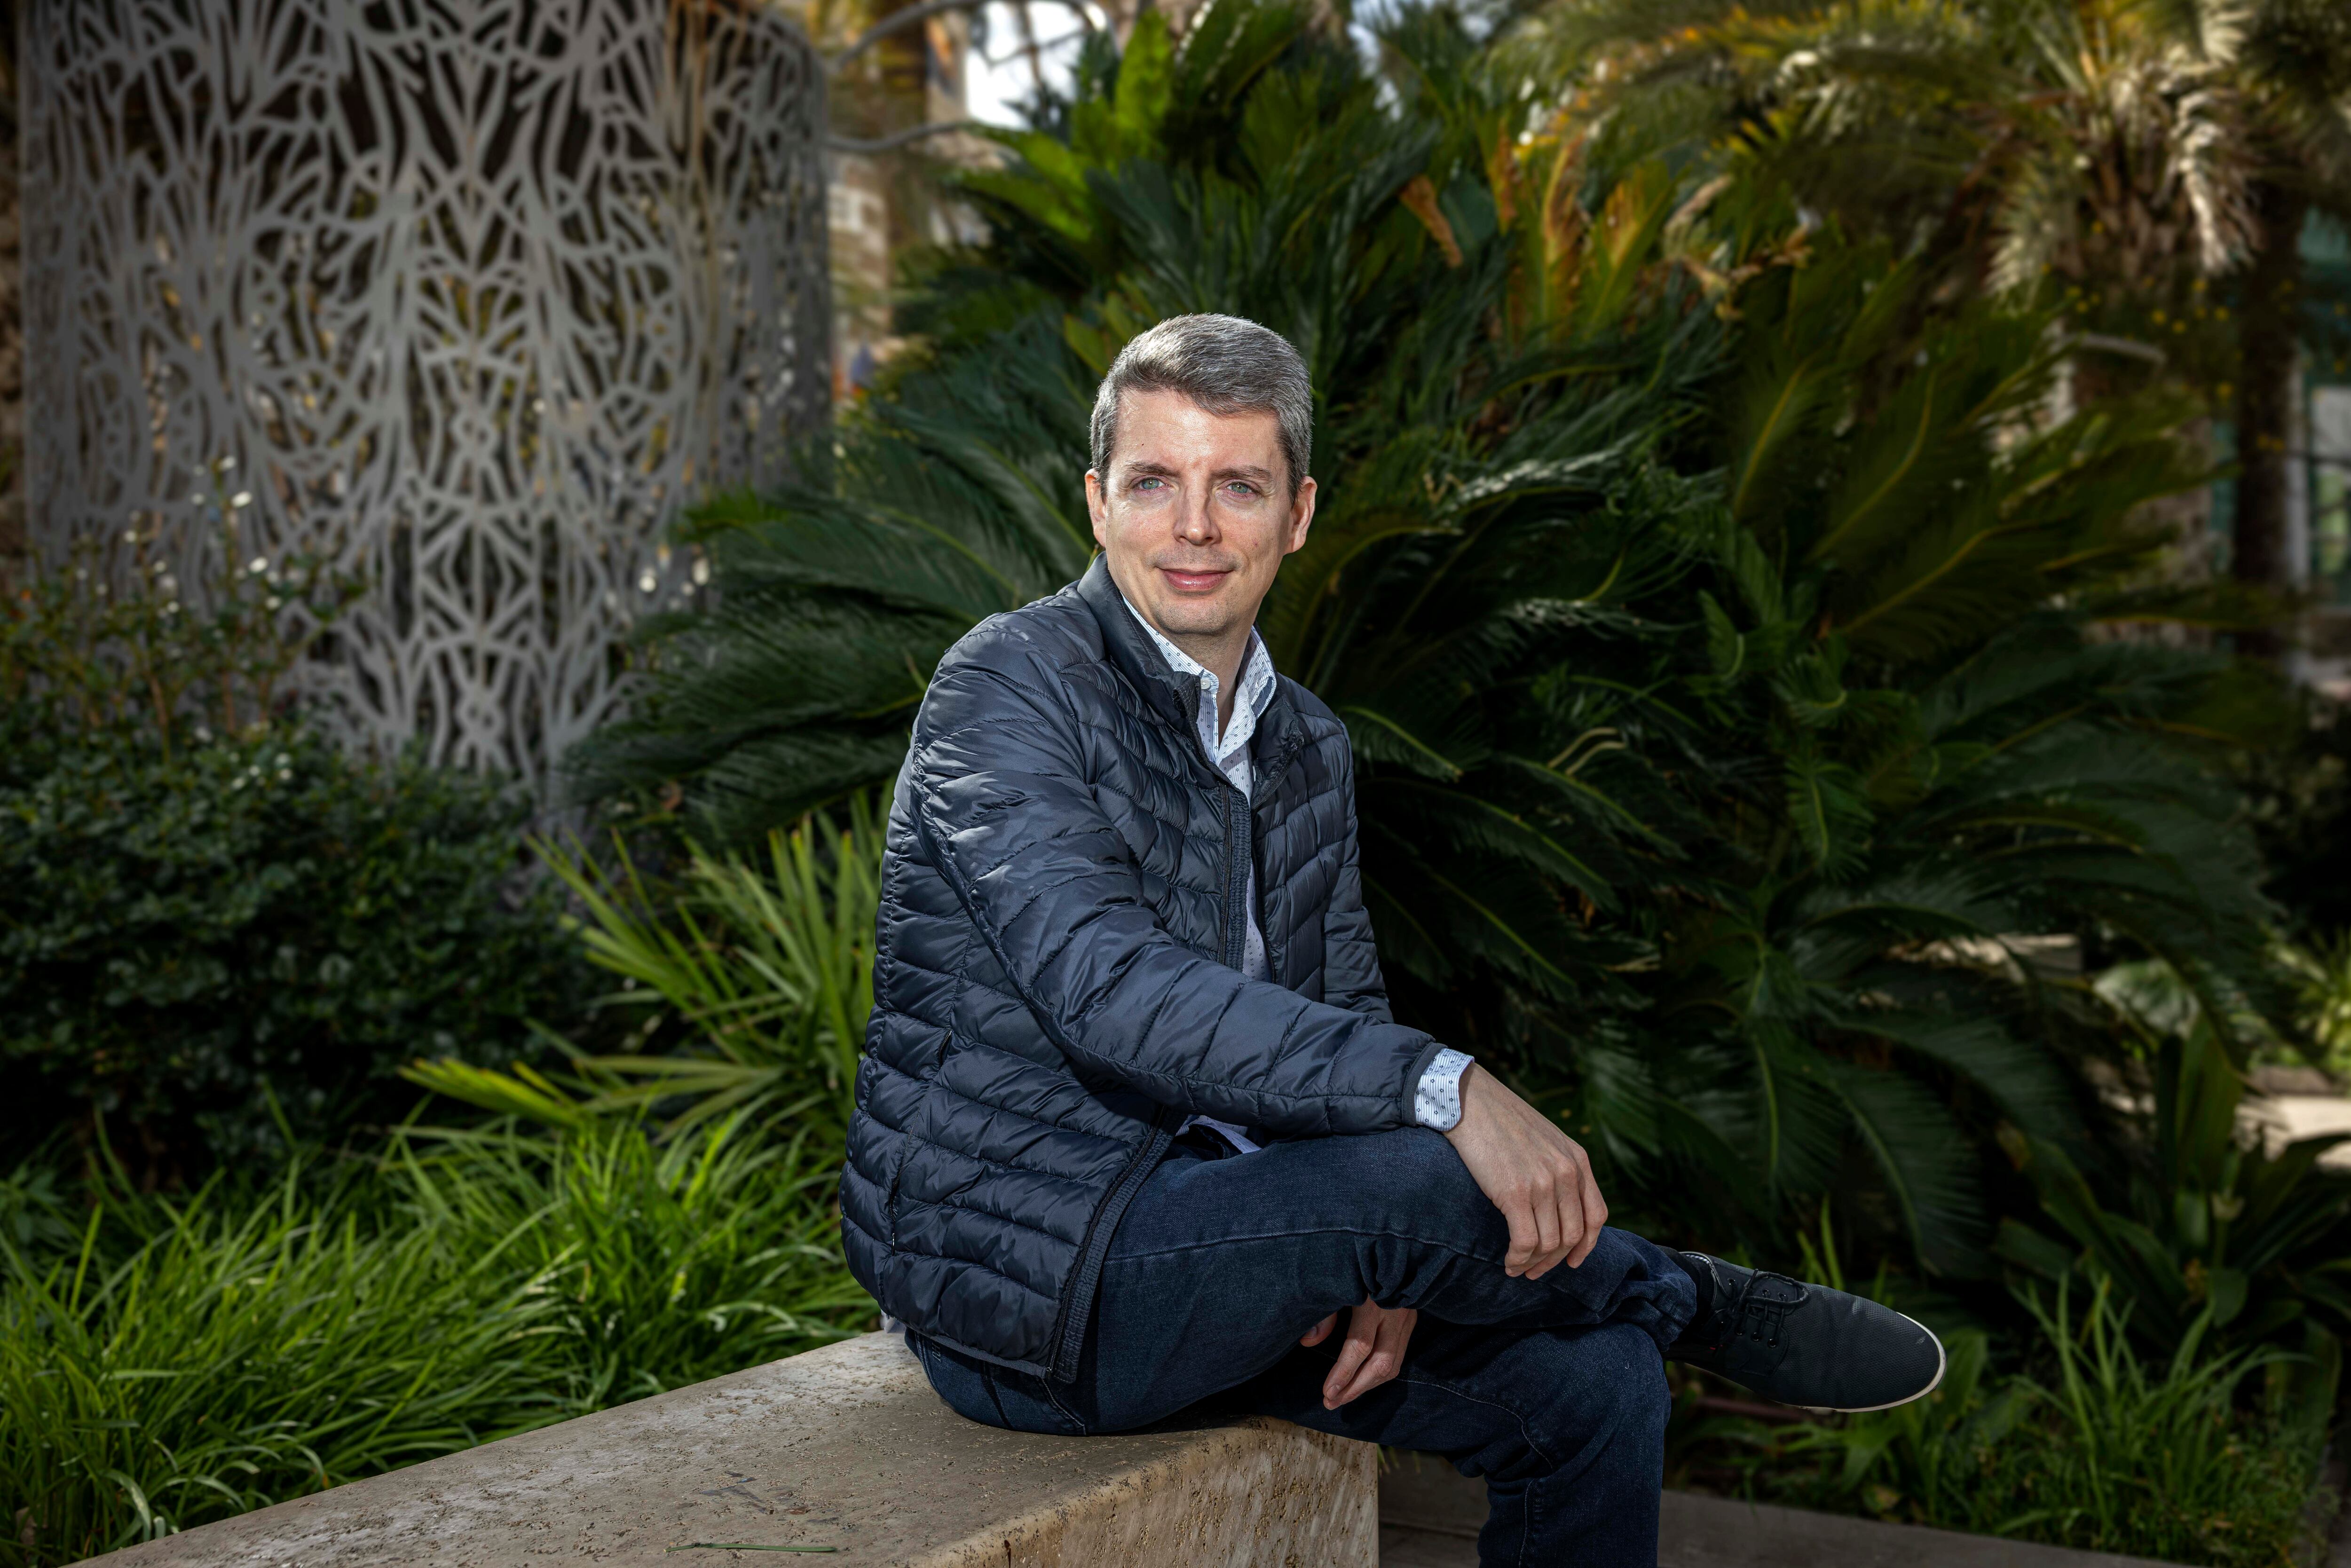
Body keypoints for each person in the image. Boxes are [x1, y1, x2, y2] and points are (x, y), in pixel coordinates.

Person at [840, 313, 1944, 1566]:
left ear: (1298, 515)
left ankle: (1617, 1313)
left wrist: (1387, 1263)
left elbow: (1345, 1004)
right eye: (1154, 483)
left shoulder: (1305, 740)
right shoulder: (1006, 684)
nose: (1193, 527)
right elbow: (1110, 988)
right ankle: (1691, 1297)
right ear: (1098, 505)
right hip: (1043, 1285)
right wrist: (1443, 1091)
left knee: (1598, 1387)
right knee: (1430, 1173)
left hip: (1253, 1246)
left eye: (1237, 486)